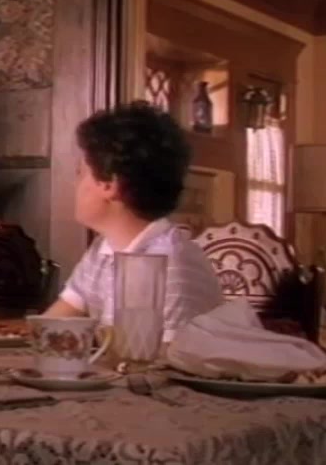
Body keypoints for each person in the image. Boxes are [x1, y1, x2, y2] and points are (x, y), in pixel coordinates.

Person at [43, 102, 223, 341]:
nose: (74, 184)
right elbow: (51, 325)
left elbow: (166, 361)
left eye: (81, 173)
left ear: (109, 185)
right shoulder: (103, 250)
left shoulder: (170, 265)